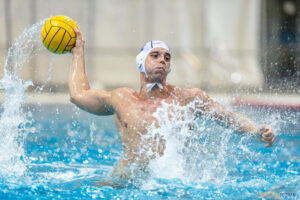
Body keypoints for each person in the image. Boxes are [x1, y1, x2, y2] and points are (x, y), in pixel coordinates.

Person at [69, 28, 275, 187]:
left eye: (167, 58)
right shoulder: (122, 98)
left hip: (169, 183)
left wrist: (256, 131)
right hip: (125, 182)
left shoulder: (187, 98)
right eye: (155, 55)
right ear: (140, 62)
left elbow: (228, 117)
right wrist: (78, 52)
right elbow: (79, 95)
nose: (162, 60)